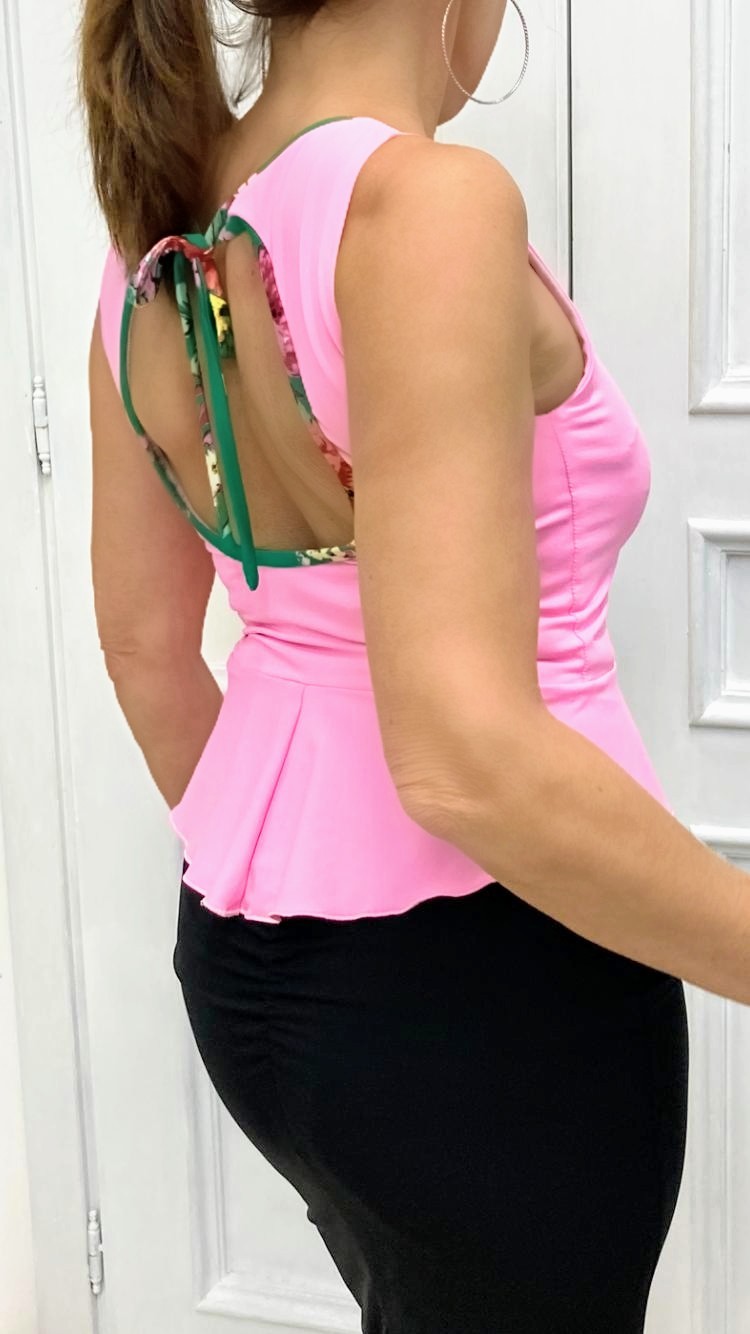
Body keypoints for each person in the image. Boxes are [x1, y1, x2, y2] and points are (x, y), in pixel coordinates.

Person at [79, 1, 748, 1329]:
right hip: (490, 986)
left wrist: (299, 896)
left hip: (251, 978)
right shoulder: (426, 207)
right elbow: (461, 760)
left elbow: (148, 649)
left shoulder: (155, 236)